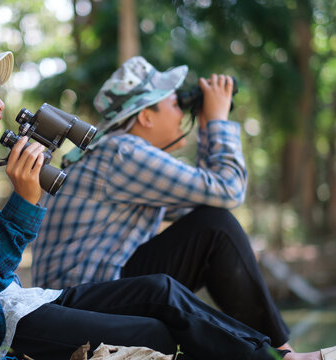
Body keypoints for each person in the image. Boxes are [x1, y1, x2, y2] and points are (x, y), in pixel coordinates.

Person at [0, 42, 336, 360]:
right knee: (157, 332)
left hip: (24, 302)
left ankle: (279, 355)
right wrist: (25, 204)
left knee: (160, 289)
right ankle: (274, 355)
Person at [31, 56, 291, 349]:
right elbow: (228, 190)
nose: (182, 112)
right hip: (81, 307)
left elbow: (203, 205)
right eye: (175, 103)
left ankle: (274, 351)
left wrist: (207, 129)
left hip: (91, 294)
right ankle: (281, 352)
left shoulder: (115, 152)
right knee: (217, 227)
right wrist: (218, 121)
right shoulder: (123, 152)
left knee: (212, 225)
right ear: (146, 116)